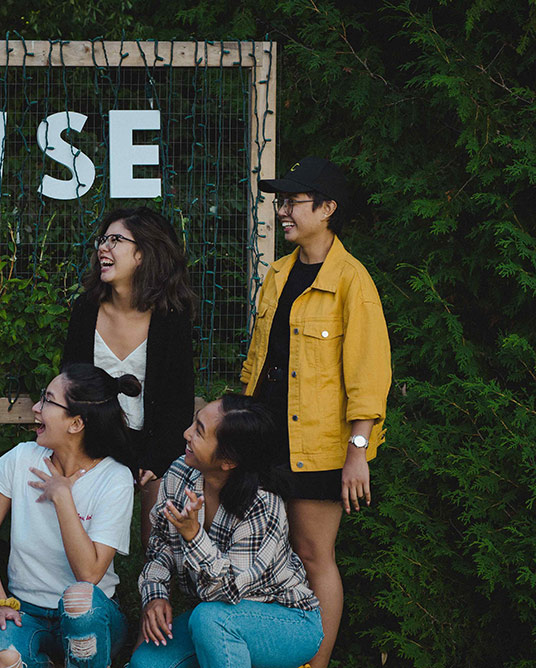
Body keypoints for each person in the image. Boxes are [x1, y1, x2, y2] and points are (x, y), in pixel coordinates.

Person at [241, 156, 391, 668]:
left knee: (312, 554)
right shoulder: (279, 274)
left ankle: (315, 662)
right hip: (266, 439)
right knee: (266, 554)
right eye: (280, 201)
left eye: (293, 202)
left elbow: (368, 376)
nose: (282, 211)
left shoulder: (352, 280)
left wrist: (358, 451)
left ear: (327, 208)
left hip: (321, 448)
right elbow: (259, 364)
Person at [130, 394, 323, 668]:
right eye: (193, 424)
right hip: (218, 618)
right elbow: (160, 547)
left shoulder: (263, 507)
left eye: (199, 432)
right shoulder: (179, 473)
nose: (186, 434)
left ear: (228, 460)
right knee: (146, 664)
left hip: (287, 621)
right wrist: (155, 594)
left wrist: (193, 535)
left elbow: (224, 591)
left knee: (209, 619)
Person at [0, 363, 139, 668]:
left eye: (48, 401)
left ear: (76, 423)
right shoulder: (22, 457)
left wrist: (63, 497)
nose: (36, 408)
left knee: (78, 599)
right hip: (27, 612)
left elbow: (88, 575)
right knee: (3, 660)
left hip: (90, 615)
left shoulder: (114, 478)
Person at [62, 207, 195, 548]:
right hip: (92, 441)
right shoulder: (86, 309)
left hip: (152, 442)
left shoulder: (171, 317)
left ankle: (153, 595)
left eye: (116, 240)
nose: (103, 248)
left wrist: (157, 459)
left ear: (143, 253)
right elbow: (70, 384)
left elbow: (178, 397)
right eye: (102, 239)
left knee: (158, 529)